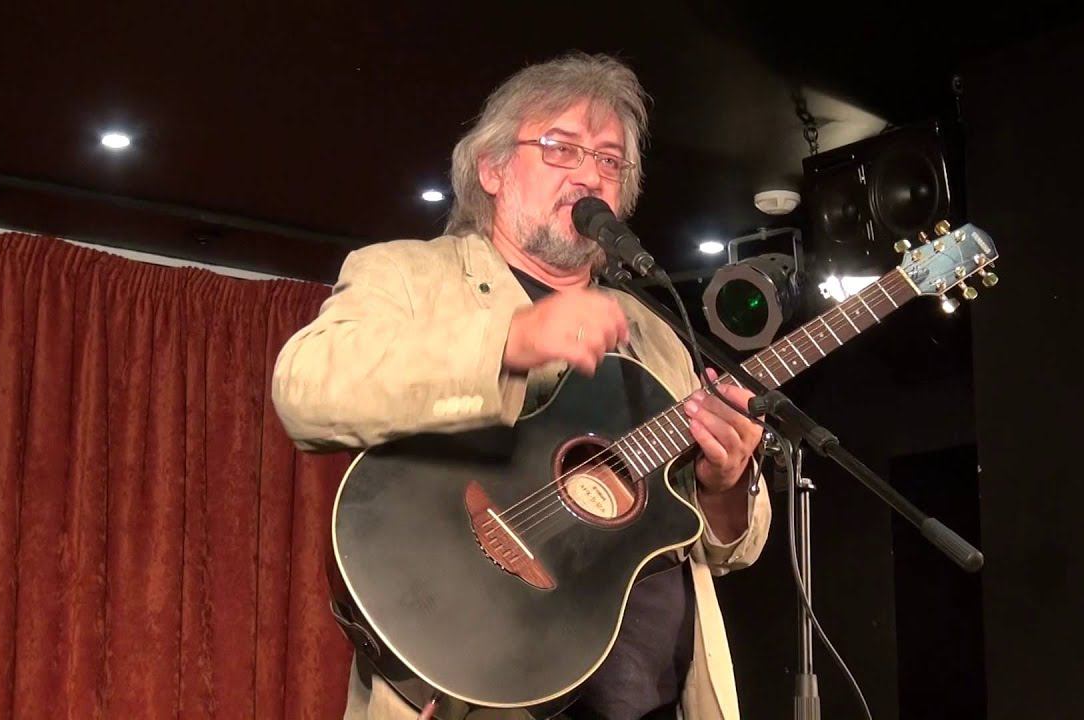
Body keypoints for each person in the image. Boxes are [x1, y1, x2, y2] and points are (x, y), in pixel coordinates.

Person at [272, 51, 772, 720]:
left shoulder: (655, 335)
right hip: (476, 686)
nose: (589, 175)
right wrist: (506, 344)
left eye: (609, 161)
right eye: (561, 148)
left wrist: (725, 483)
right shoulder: (407, 275)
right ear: (493, 168)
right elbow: (305, 388)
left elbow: (719, 546)